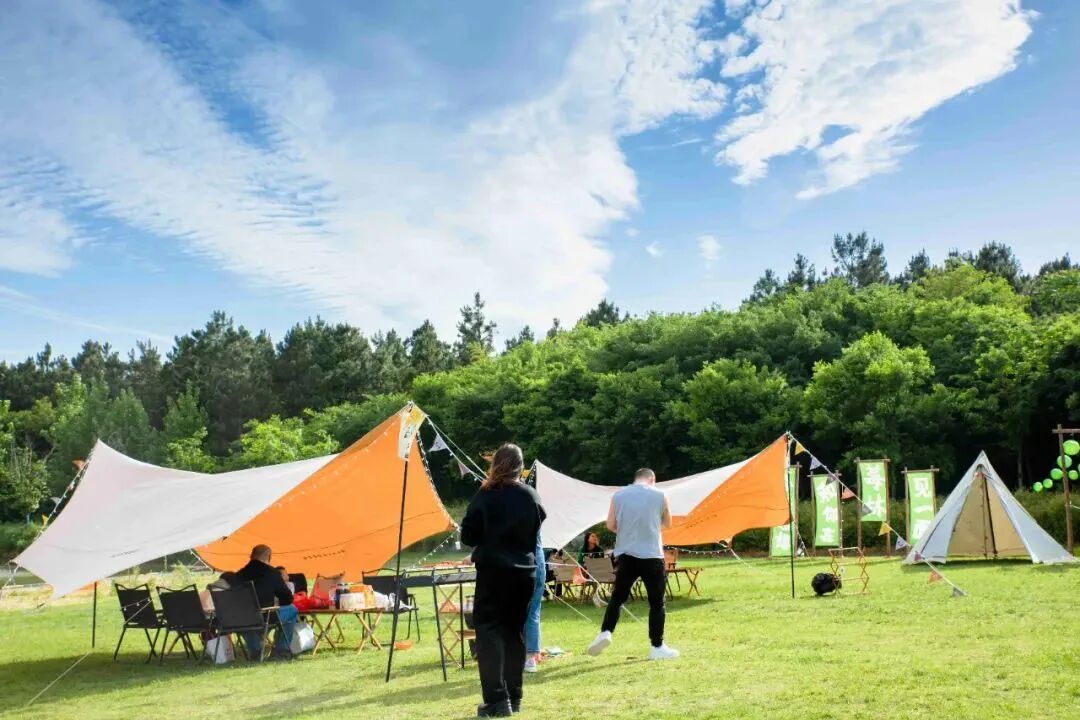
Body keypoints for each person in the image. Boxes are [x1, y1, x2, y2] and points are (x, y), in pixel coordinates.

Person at [460, 444, 546, 718]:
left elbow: (468, 536)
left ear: (495, 463)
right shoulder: (531, 495)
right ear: (521, 467)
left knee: (489, 633)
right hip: (525, 572)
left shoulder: (486, 494)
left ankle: (497, 700)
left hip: (494, 572)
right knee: (514, 633)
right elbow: (537, 526)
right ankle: (514, 697)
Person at [587, 468, 679, 661]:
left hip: (626, 554)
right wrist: (650, 527)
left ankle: (605, 632)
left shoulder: (618, 496)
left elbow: (610, 524)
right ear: (652, 479)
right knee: (657, 603)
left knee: (617, 598)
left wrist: (627, 530)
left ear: (636, 478)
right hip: (652, 555)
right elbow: (667, 523)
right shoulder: (660, 495)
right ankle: (657, 646)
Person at [233, 544, 298, 659]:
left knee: (247, 618)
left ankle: (256, 652)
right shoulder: (272, 573)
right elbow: (287, 598)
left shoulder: (238, 575)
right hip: (264, 616)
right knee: (292, 610)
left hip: (240, 619)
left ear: (251, 556)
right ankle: (281, 650)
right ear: (269, 557)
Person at [523, 532, 545, 673]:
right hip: (539, 565)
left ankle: (526, 657)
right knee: (533, 613)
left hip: (525, 567)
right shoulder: (536, 519)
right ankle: (531, 657)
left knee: (522, 613)